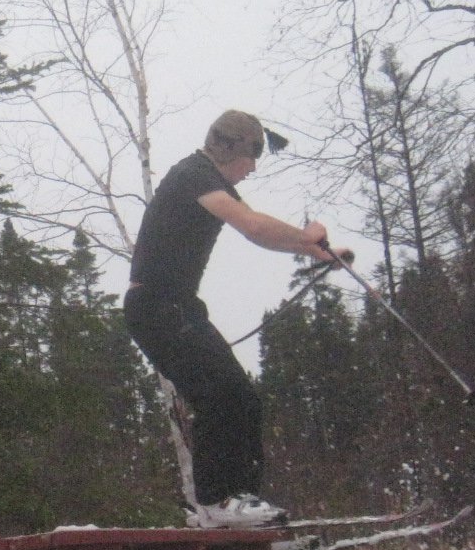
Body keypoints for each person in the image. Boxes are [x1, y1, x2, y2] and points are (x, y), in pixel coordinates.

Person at [123, 110, 350, 528]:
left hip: (176, 307)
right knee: (222, 394)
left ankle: (245, 511)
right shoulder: (193, 173)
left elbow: (258, 229)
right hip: (157, 307)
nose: (254, 167)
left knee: (241, 398)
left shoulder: (206, 180)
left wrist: (313, 251)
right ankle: (216, 504)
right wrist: (306, 239)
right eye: (253, 155)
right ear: (232, 149)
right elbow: (252, 226)